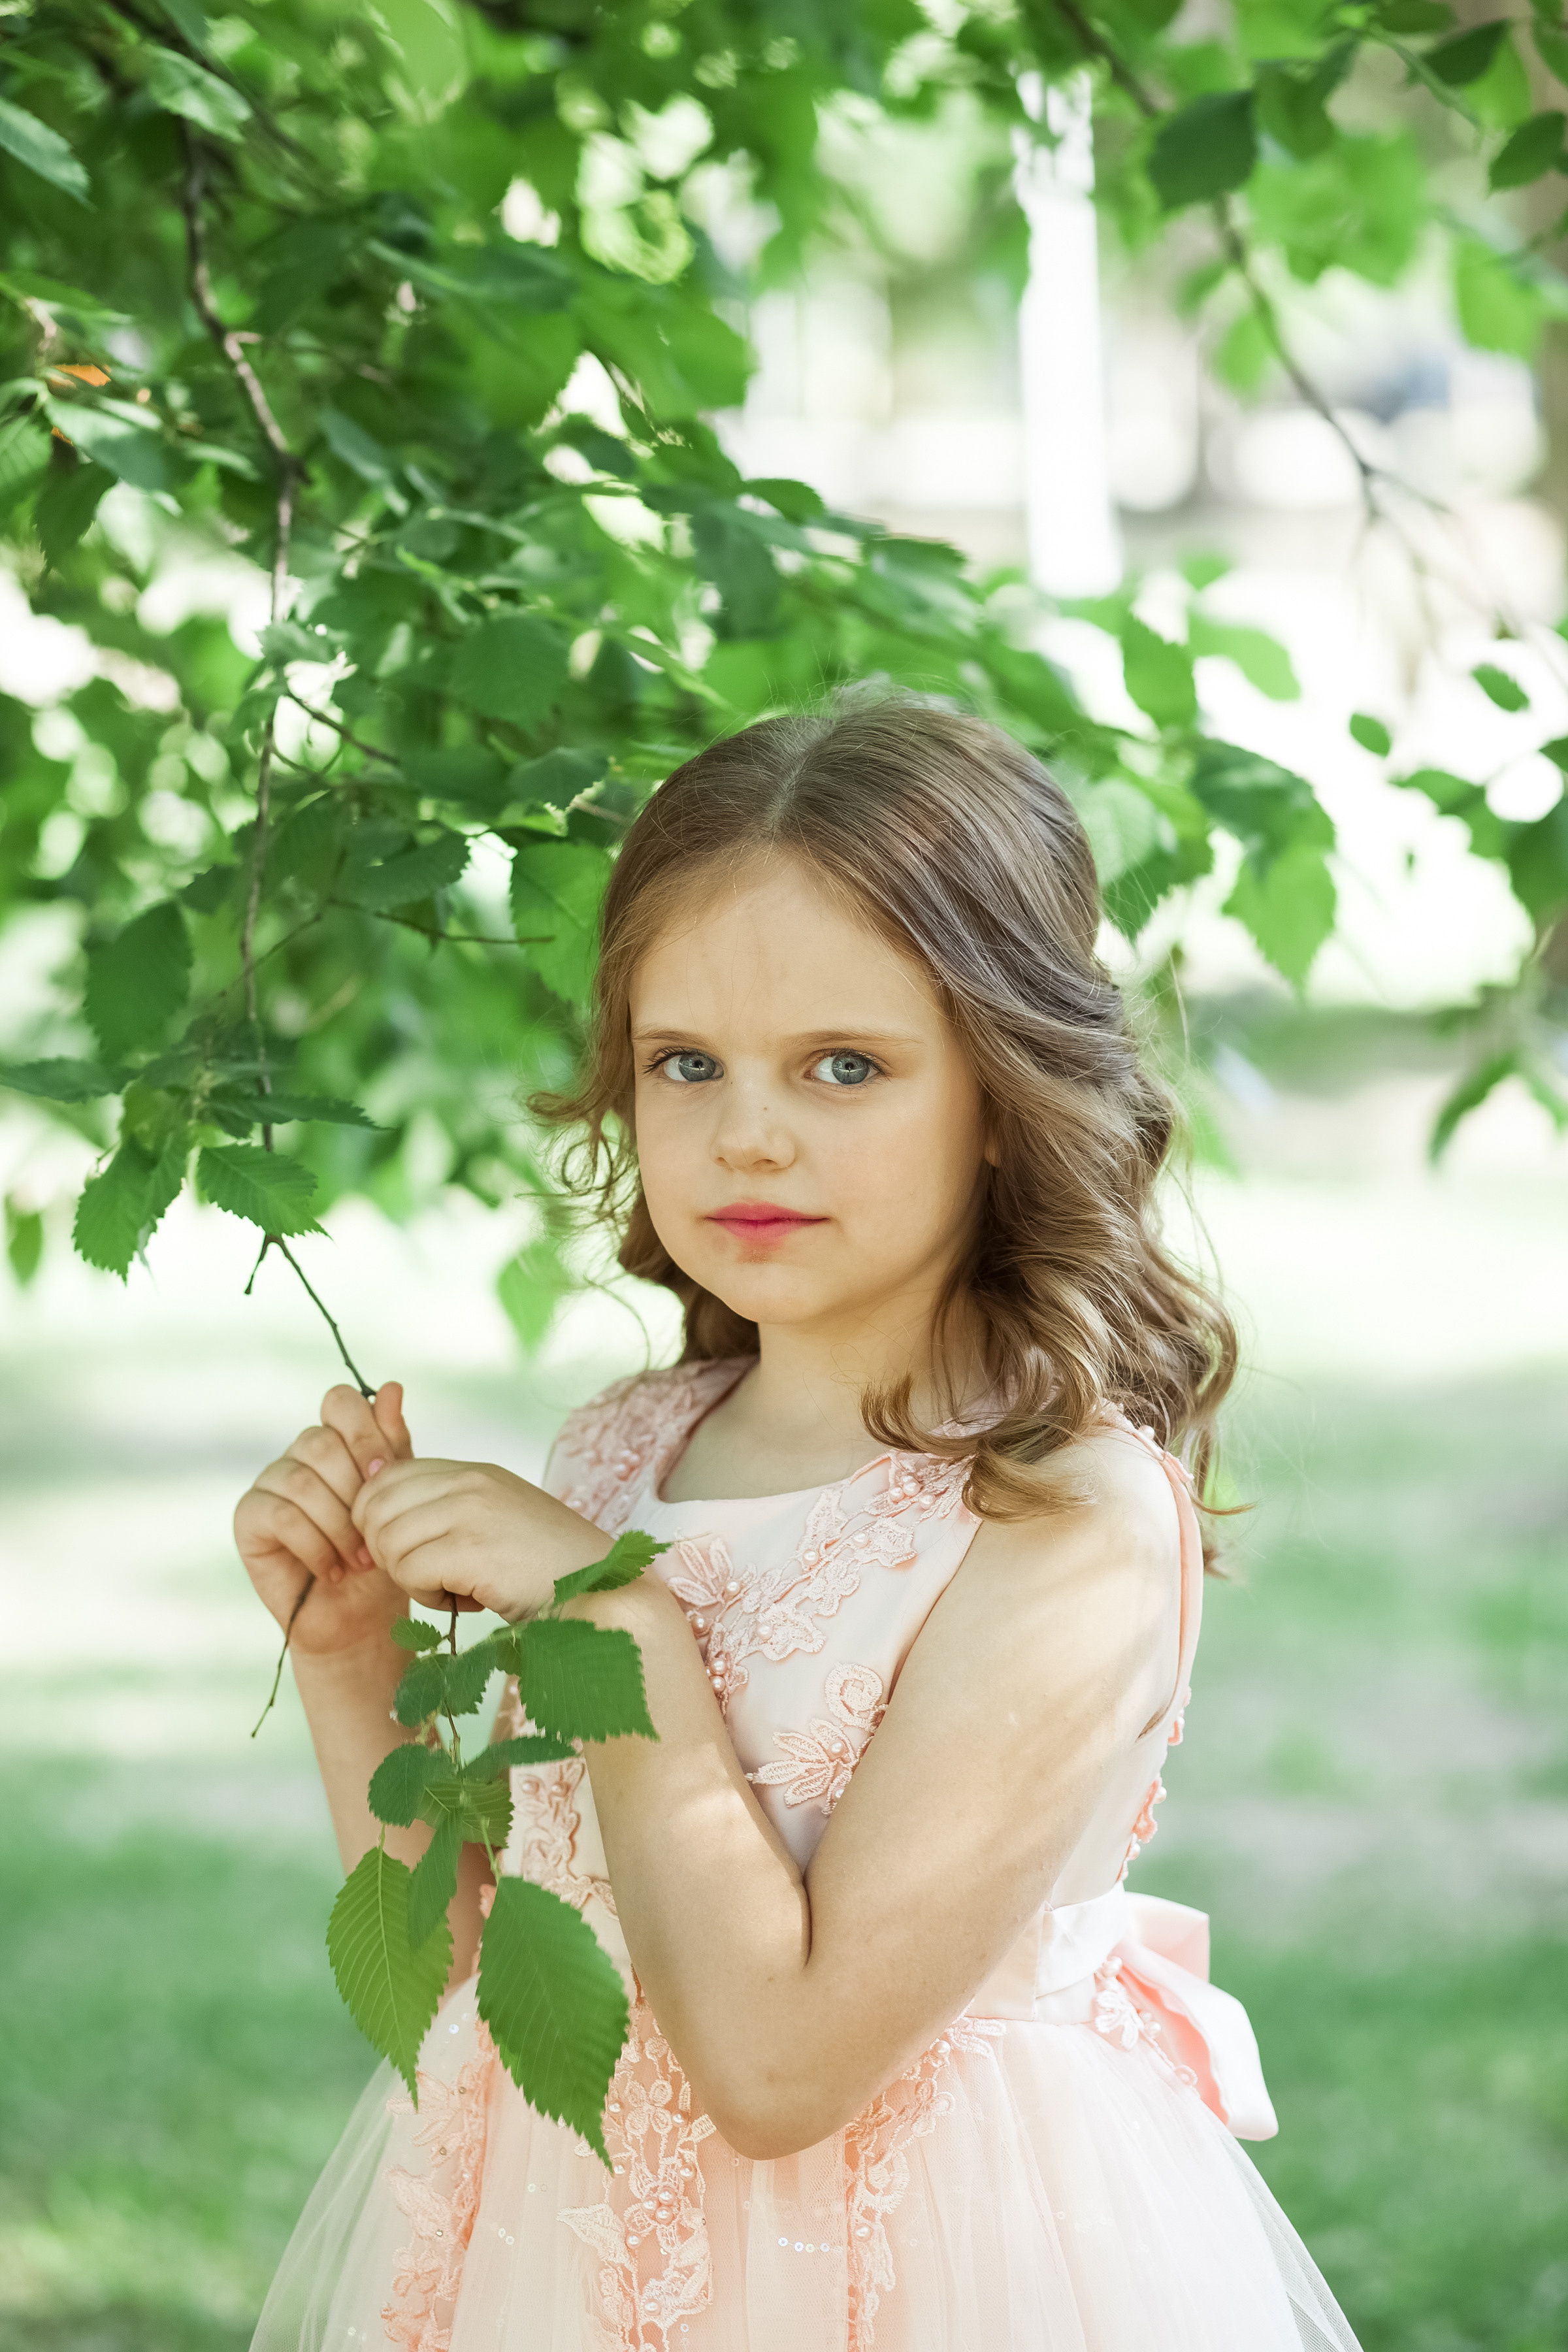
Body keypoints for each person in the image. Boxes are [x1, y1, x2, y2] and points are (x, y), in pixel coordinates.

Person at [238, 698, 1364, 2351]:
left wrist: (614, 1627)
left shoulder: (1059, 1517)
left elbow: (777, 2069)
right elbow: (490, 1977)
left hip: (910, 2274)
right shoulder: (624, 1448)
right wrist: (351, 1662)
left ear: (1003, 1085)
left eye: (846, 1066)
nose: (747, 1133)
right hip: (564, 2251)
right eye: (686, 1063)